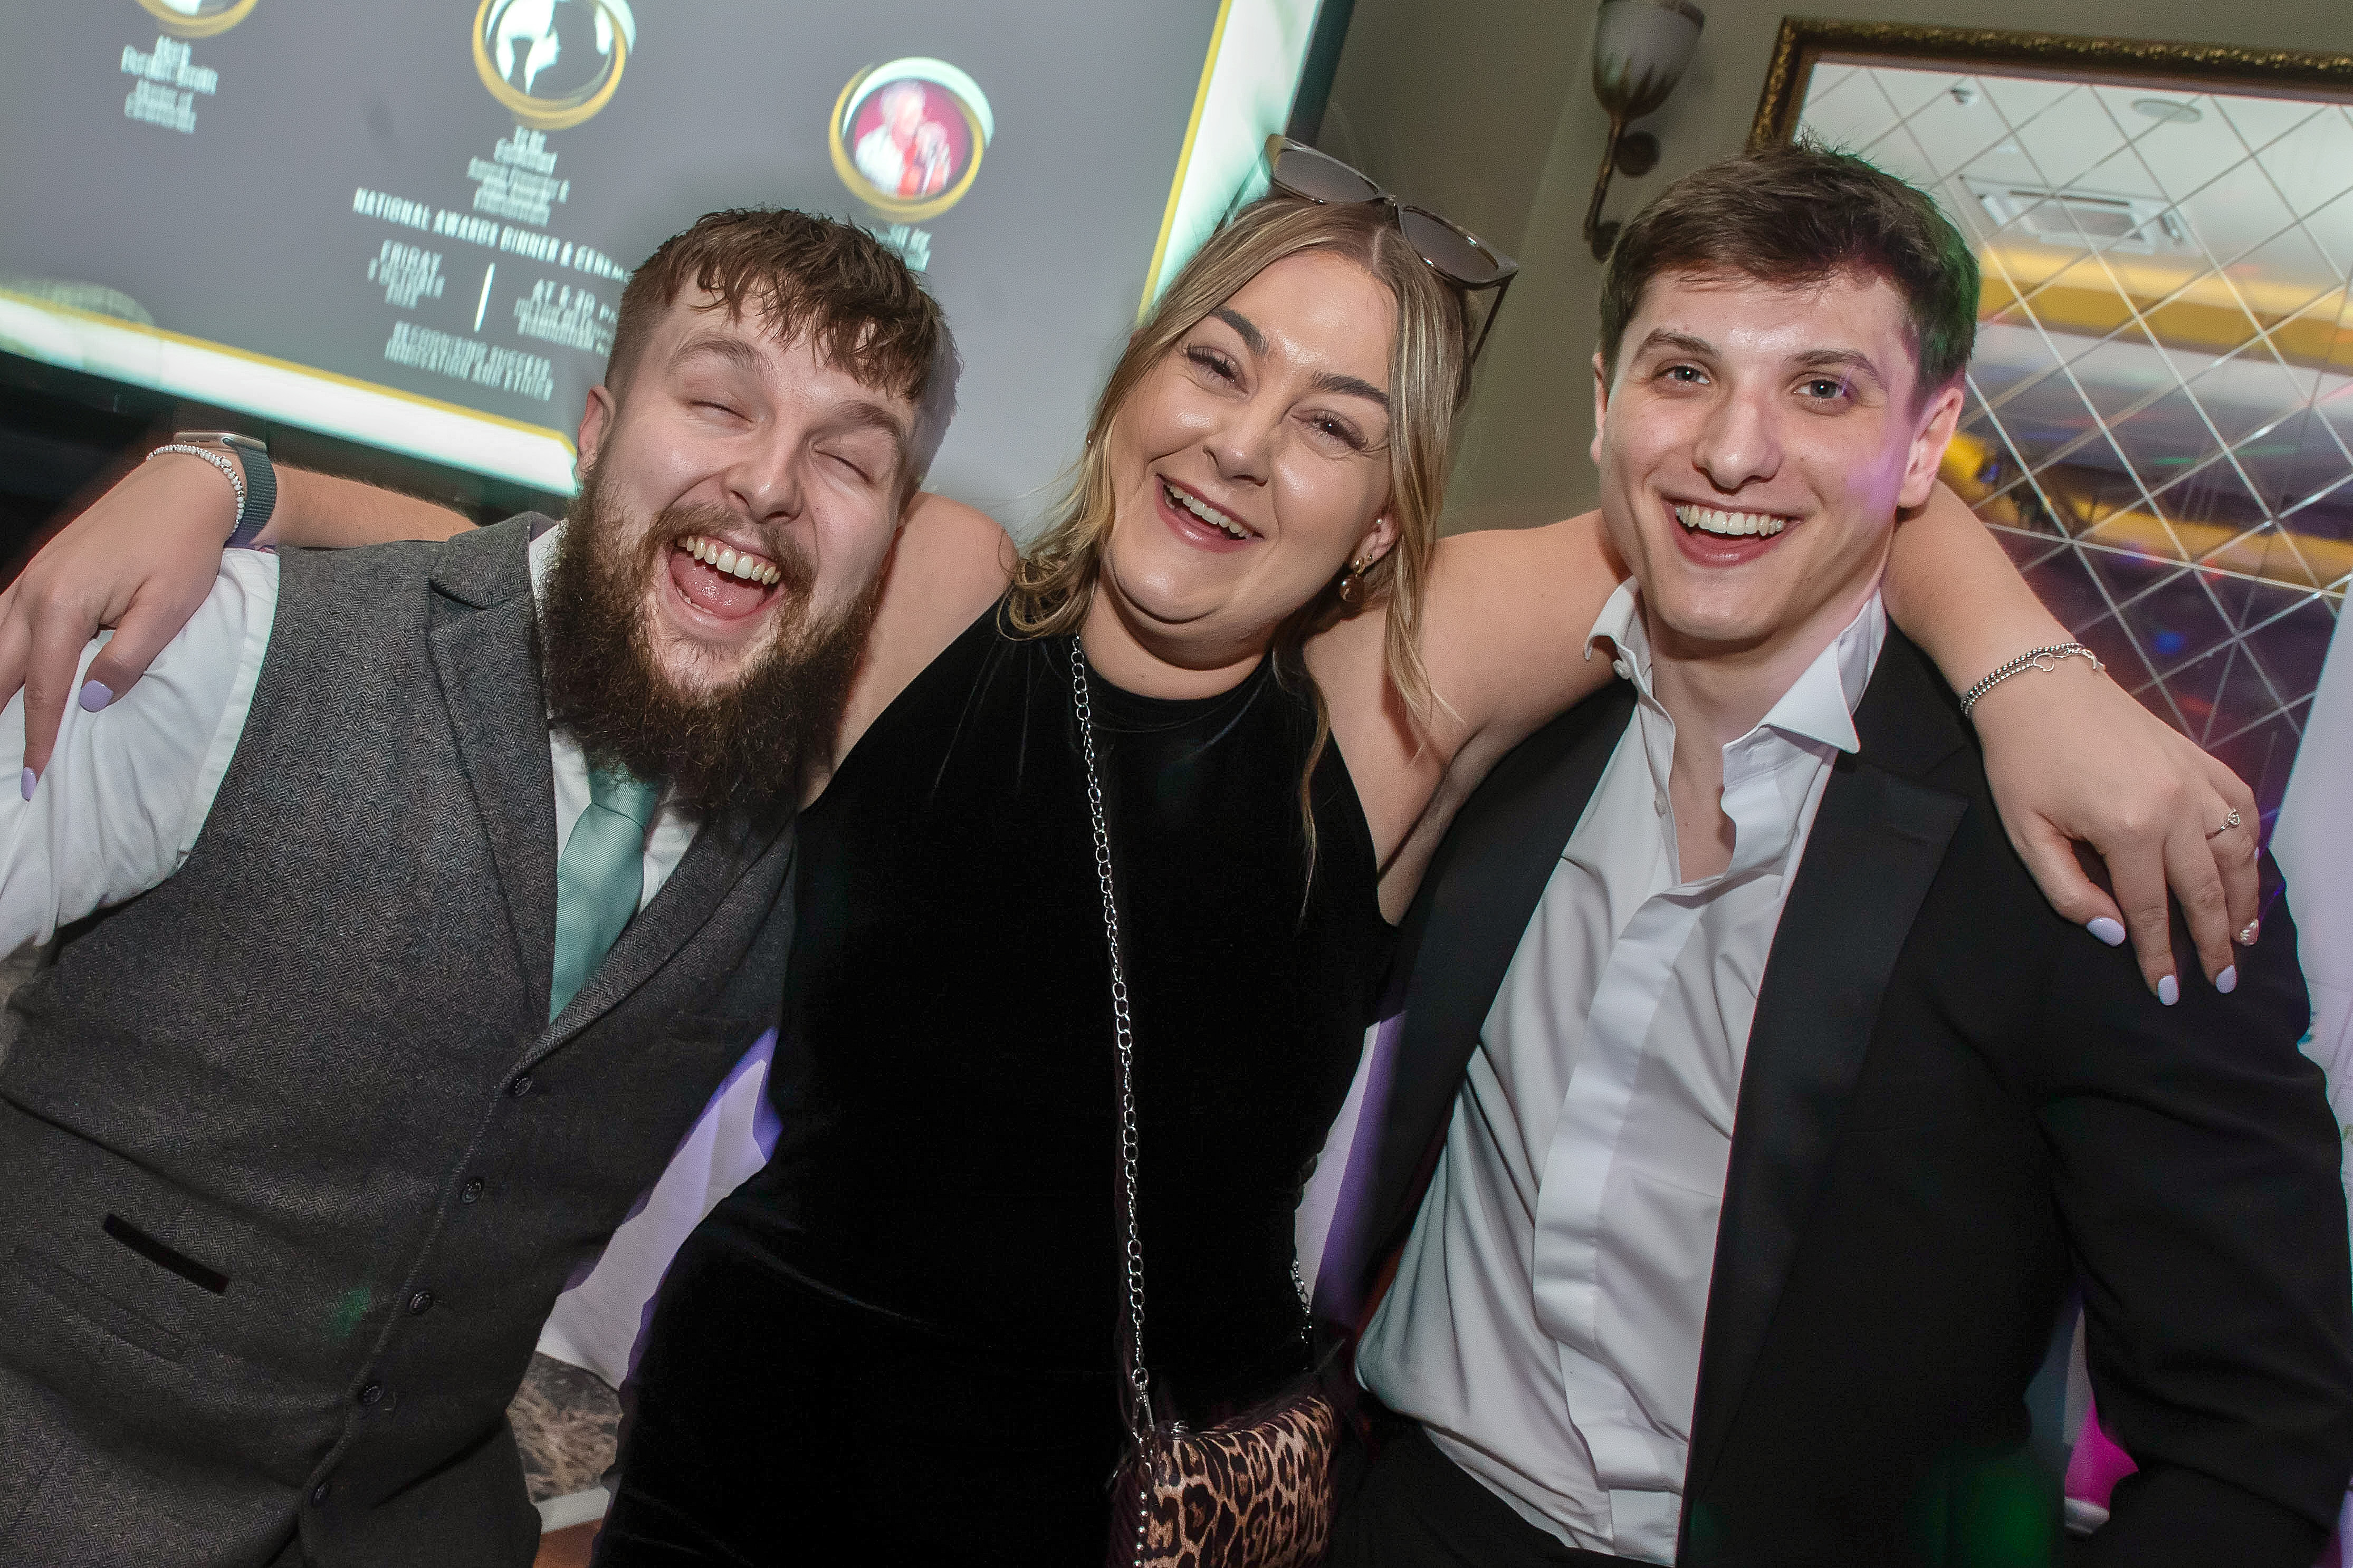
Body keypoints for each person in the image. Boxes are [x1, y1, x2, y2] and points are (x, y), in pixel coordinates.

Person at [4, 160, 2259, 1561]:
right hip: (750, 1455)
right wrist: (232, 478)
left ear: (1379, 520)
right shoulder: (929, 592)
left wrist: (2029, 674)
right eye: (1218, 363)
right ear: (1131, 384)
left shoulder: (1389, 693)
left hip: (1118, 1513)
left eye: (1333, 426)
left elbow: (1763, 490)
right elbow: (585, 561)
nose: (1243, 446)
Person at [1328, 146, 2353, 1568]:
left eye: (1822, 389)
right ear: (1604, 402)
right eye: (1684, 373)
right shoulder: (1508, 721)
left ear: (1926, 443)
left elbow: (2254, 1443)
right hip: (1405, 1519)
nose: (1732, 451)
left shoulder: (2092, 854)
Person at [0, 208, 977, 1568]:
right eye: (717, 402)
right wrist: (223, 472)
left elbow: (981, 557)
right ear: (595, 429)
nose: (768, 483)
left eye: (846, 459)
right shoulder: (231, 641)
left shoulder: (824, 826)